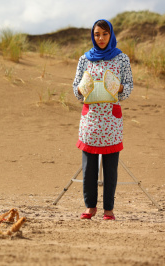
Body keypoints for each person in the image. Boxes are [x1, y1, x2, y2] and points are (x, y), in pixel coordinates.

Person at [72, 19, 133, 220]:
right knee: (89, 167)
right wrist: (83, 88)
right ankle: (90, 207)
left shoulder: (121, 58)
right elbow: (76, 89)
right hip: (90, 118)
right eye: (97, 34)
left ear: (111, 34)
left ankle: (108, 209)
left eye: (105, 34)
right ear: (93, 35)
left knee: (110, 167)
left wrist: (116, 86)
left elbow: (129, 87)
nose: (100, 38)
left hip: (111, 119)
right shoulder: (85, 59)